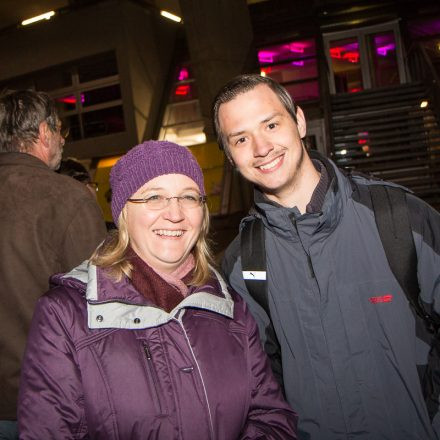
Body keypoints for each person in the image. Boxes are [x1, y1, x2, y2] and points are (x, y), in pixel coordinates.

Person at [18, 140, 297, 439]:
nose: (175, 213)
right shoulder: (65, 315)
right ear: (124, 213)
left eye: (189, 197)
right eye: (154, 197)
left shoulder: (230, 306)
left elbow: (271, 417)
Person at [213, 74, 440, 439]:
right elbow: (255, 386)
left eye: (271, 124)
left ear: (299, 122)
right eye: (241, 138)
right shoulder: (242, 263)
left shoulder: (396, 216)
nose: (261, 147)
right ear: (229, 155)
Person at [0, 90, 107, 439]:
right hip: (48, 402)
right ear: (45, 132)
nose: (62, 139)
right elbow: (100, 306)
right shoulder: (66, 197)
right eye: (60, 130)